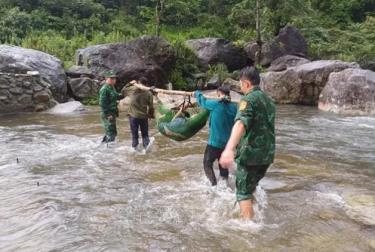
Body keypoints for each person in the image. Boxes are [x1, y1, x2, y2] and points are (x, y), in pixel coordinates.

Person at [219, 66, 275, 220]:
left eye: (241, 84)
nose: (241, 87)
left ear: (246, 84)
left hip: (251, 155)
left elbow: (240, 124)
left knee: (243, 191)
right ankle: (254, 214)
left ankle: (249, 229)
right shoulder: (268, 100)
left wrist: (229, 149)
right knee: (250, 186)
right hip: (267, 155)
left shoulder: (248, 99)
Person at [193, 86, 237, 186]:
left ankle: (213, 185)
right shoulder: (234, 108)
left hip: (214, 143)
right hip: (227, 145)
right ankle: (225, 184)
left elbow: (203, 102)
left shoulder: (215, 104)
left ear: (218, 94)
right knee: (223, 165)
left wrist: (197, 93)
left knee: (207, 164)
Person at [121, 77, 154, 151]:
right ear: (146, 84)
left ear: (139, 83)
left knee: (134, 136)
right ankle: (147, 149)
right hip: (144, 117)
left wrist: (130, 83)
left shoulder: (132, 89)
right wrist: (151, 115)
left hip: (133, 117)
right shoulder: (149, 93)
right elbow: (151, 107)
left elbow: (123, 90)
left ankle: (135, 151)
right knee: (145, 135)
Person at [99, 70, 123, 143]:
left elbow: (116, 96)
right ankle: (108, 149)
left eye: (114, 78)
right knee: (111, 132)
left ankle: (103, 145)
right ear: (106, 79)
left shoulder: (111, 87)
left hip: (112, 113)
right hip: (107, 114)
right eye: (111, 78)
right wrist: (108, 114)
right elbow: (102, 103)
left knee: (111, 131)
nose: (113, 80)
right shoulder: (104, 89)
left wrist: (124, 94)